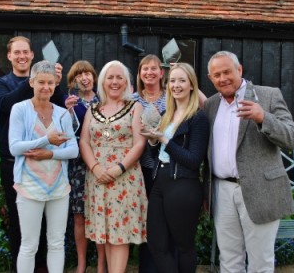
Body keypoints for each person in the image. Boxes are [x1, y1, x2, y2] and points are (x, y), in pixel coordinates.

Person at [204, 51, 294, 272]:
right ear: (211, 79)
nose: (222, 78)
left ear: (239, 70)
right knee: (229, 260)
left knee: (260, 262)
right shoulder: (210, 105)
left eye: (227, 71)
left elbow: (292, 139)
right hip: (222, 190)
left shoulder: (267, 96)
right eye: (216, 75)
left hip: (261, 189)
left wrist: (263, 117)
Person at [0, 36, 63, 271]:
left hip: (47, 164)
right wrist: (35, 80)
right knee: (19, 221)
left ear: (32, 55)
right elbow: (5, 105)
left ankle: (41, 267)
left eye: (26, 52)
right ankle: (19, 267)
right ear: (9, 56)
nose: (21, 56)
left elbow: (59, 109)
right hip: (15, 163)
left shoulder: (47, 83)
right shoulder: (0, 83)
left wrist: (55, 83)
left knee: (45, 222)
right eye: (17, 52)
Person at [9, 60, 79, 273]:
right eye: (41, 82)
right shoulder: (20, 109)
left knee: (57, 242)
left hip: (59, 187)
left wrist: (49, 153)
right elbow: (14, 147)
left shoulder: (62, 113)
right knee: (29, 245)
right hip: (29, 186)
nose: (46, 87)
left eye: (50, 83)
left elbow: (73, 150)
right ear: (31, 82)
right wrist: (45, 139)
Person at [80, 60, 148, 273]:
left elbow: (140, 143)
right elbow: (84, 141)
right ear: (102, 81)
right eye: (110, 77)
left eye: (120, 77)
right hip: (98, 178)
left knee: (119, 236)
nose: (115, 82)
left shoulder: (135, 107)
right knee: (107, 234)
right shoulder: (93, 109)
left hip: (124, 178)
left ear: (127, 82)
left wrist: (119, 167)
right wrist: (95, 167)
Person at [141, 62, 209, 273]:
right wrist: (153, 141)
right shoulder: (167, 115)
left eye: (182, 80)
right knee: (156, 243)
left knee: (184, 245)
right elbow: (158, 153)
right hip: (160, 180)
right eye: (172, 81)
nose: (176, 85)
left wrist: (163, 139)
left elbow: (193, 159)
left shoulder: (198, 118)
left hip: (183, 185)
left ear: (192, 85)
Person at [64, 60, 106, 273]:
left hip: (102, 162)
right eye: (79, 75)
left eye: (88, 73)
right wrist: (68, 112)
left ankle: (101, 262)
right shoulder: (69, 102)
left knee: (99, 213)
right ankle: (81, 263)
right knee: (79, 215)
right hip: (79, 165)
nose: (84, 77)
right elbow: (65, 133)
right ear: (73, 80)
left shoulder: (105, 100)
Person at [132, 54, 166, 273]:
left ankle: (164, 264)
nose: (149, 72)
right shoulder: (133, 99)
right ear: (140, 73)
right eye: (145, 69)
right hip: (140, 168)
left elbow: (200, 102)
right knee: (146, 218)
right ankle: (147, 267)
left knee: (163, 218)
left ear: (162, 73)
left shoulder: (171, 97)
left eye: (154, 69)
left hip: (165, 167)